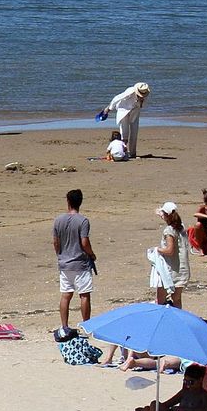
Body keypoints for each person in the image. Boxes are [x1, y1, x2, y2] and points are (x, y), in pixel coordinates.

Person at [54, 189, 96, 330]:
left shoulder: (58, 220)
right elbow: (84, 242)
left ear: (68, 201)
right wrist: (91, 254)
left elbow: (56, 242)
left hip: (64, 263)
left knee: (66, 295)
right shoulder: (83, 221)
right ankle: (86, 325)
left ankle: (64, 326)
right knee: (84, 295)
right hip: (80, 263)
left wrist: (60, 255)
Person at [148, 202, 188, 307]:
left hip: (171, 271)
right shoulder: (181, 227)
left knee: (160, 300)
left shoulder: (169, 231)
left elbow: (170, 251)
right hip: (182, 269)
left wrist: (157, 250)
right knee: (177, 299)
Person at [98, 82, 151, 157]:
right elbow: (117, 98)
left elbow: (141, 105)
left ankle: (132, 153)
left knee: (134, 132)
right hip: (123, 111)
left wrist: (141, 101)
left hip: (135, 112)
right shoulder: (130, 91)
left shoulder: (145, 93)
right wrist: (108, 109)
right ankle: (122, 152)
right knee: (124, 132)